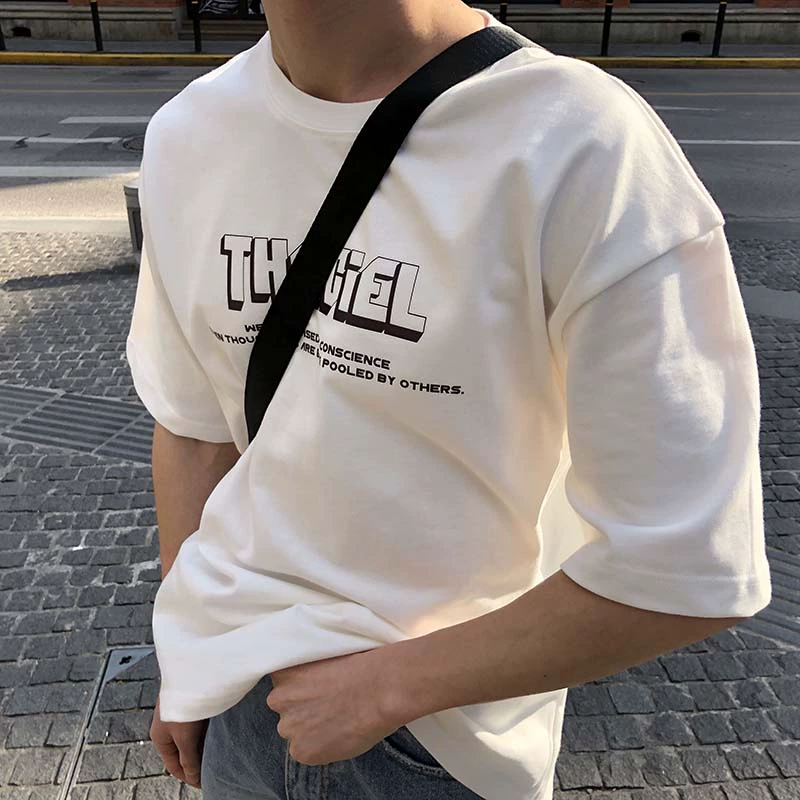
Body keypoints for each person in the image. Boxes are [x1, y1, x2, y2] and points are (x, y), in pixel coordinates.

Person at [125, 1, 773, 798]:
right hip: (238, 707)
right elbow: (195, 432)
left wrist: (387, 689)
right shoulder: (191, 132)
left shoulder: (580, 142)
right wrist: (185, 656)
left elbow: (689, 561)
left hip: (441, 737)